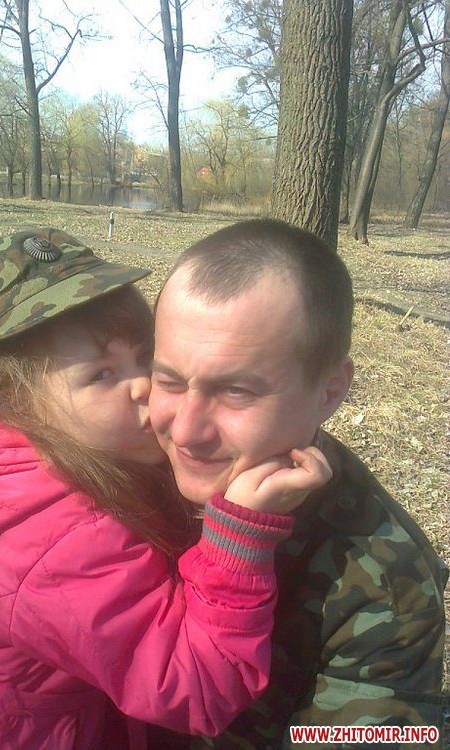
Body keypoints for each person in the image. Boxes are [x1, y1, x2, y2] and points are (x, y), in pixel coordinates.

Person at [0, 227, 333, 750]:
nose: (143, 385)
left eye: (145, 357)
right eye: (102, 374)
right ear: (16, 401)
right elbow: (196, 686)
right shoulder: (57, 544)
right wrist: (238, 542)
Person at [149, 219, 448, 749]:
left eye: (236, 392)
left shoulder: (380, 585)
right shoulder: (119, 465)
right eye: (169, 381)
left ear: (330, 390)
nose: (187, 431)